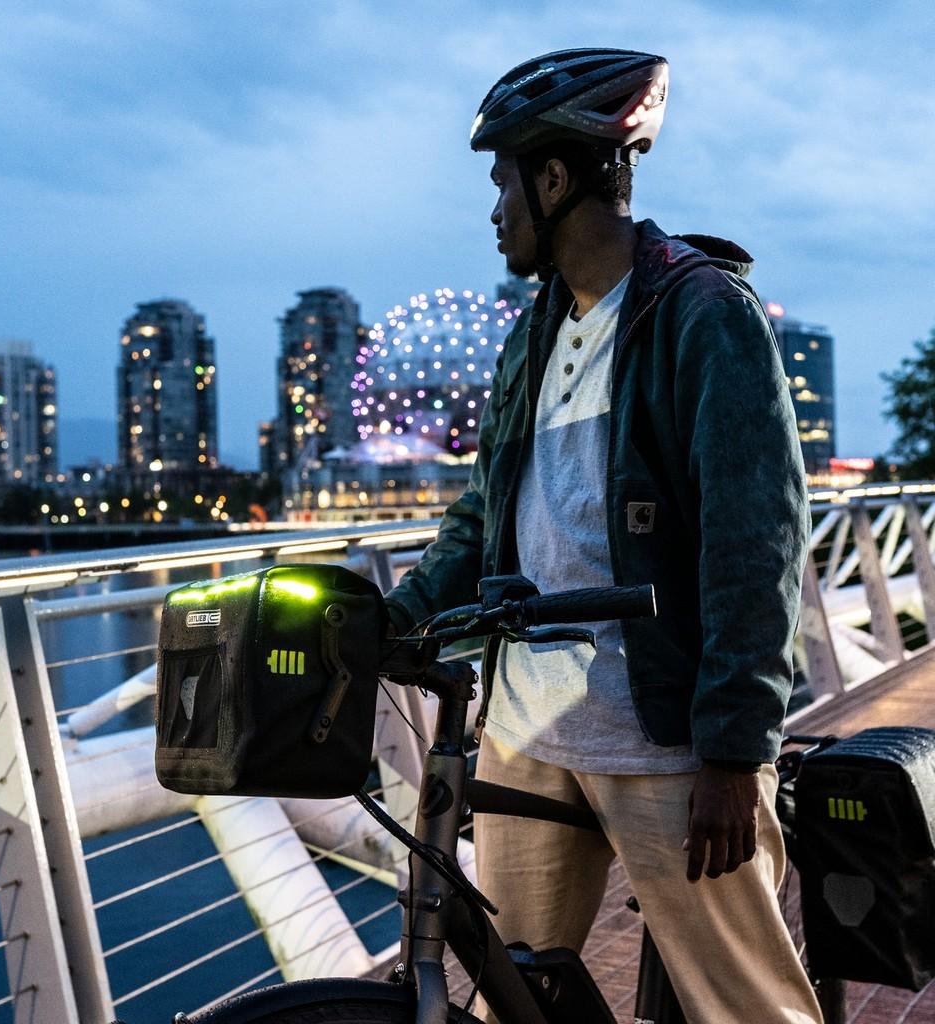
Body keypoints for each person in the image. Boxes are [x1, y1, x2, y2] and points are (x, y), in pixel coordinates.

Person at [384, 49, 823, 1023]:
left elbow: (756, 543)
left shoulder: (701, 314)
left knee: (746, 1010)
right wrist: (395, 616)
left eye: (503, 179)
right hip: (528, 724)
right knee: (515, 997)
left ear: (553, 178)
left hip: (664, 734)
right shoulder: (532, 331)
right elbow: (485, 517)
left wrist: (731, 748)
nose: (493, 207)